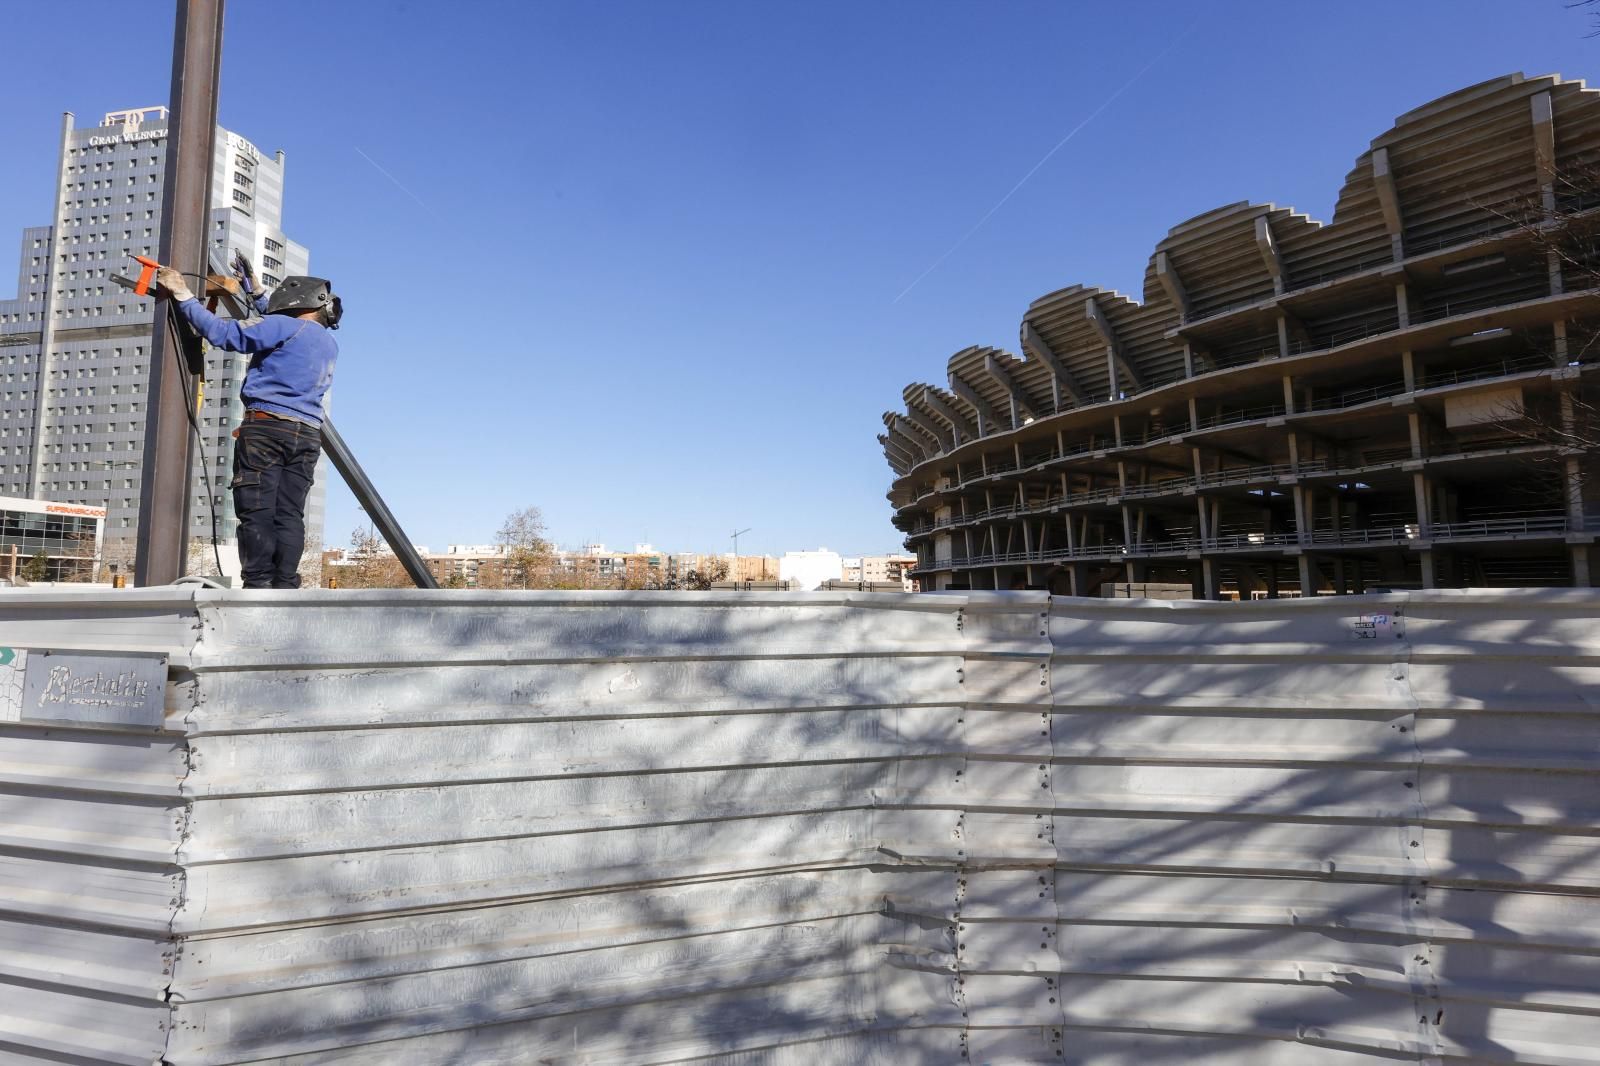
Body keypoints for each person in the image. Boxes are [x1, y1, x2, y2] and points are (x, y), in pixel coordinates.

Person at [155, 262, 341, 589]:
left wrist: (183, 294)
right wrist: (255, 292)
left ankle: (257, 587)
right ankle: (285, 587)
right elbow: (278, 325)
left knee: (257, 510)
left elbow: (228, 335)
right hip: (307, 436)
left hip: (267, 430)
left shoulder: (284, 326)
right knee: (288, 515)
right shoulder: (325, 342)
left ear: (298, 302)